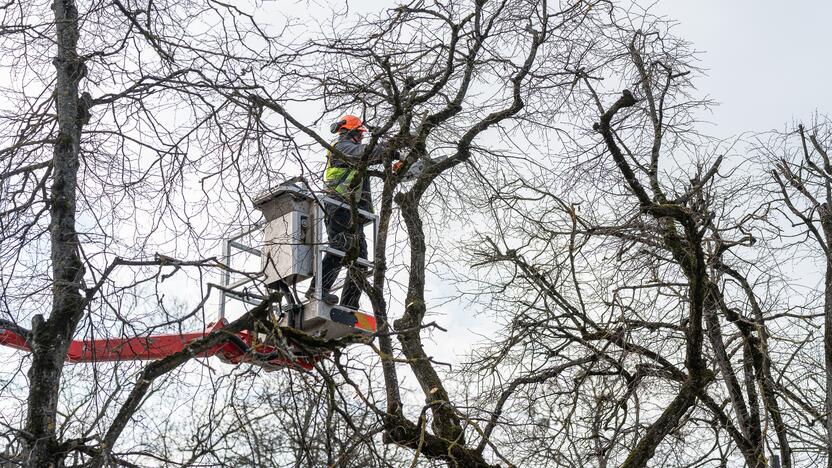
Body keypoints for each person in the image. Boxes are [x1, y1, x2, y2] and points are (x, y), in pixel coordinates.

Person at [306, 114, 387, 309]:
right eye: (359, 133)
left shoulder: (356, 152)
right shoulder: (341, 148)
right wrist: (386, 148)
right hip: (338, 206)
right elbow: (365, 152)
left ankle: (350, 304)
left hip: (354, 213)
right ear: (349, 132)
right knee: (340, 247)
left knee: (360, 260)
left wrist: (392, 152)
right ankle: (317, 289)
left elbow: (372, 155)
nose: (361, 137)